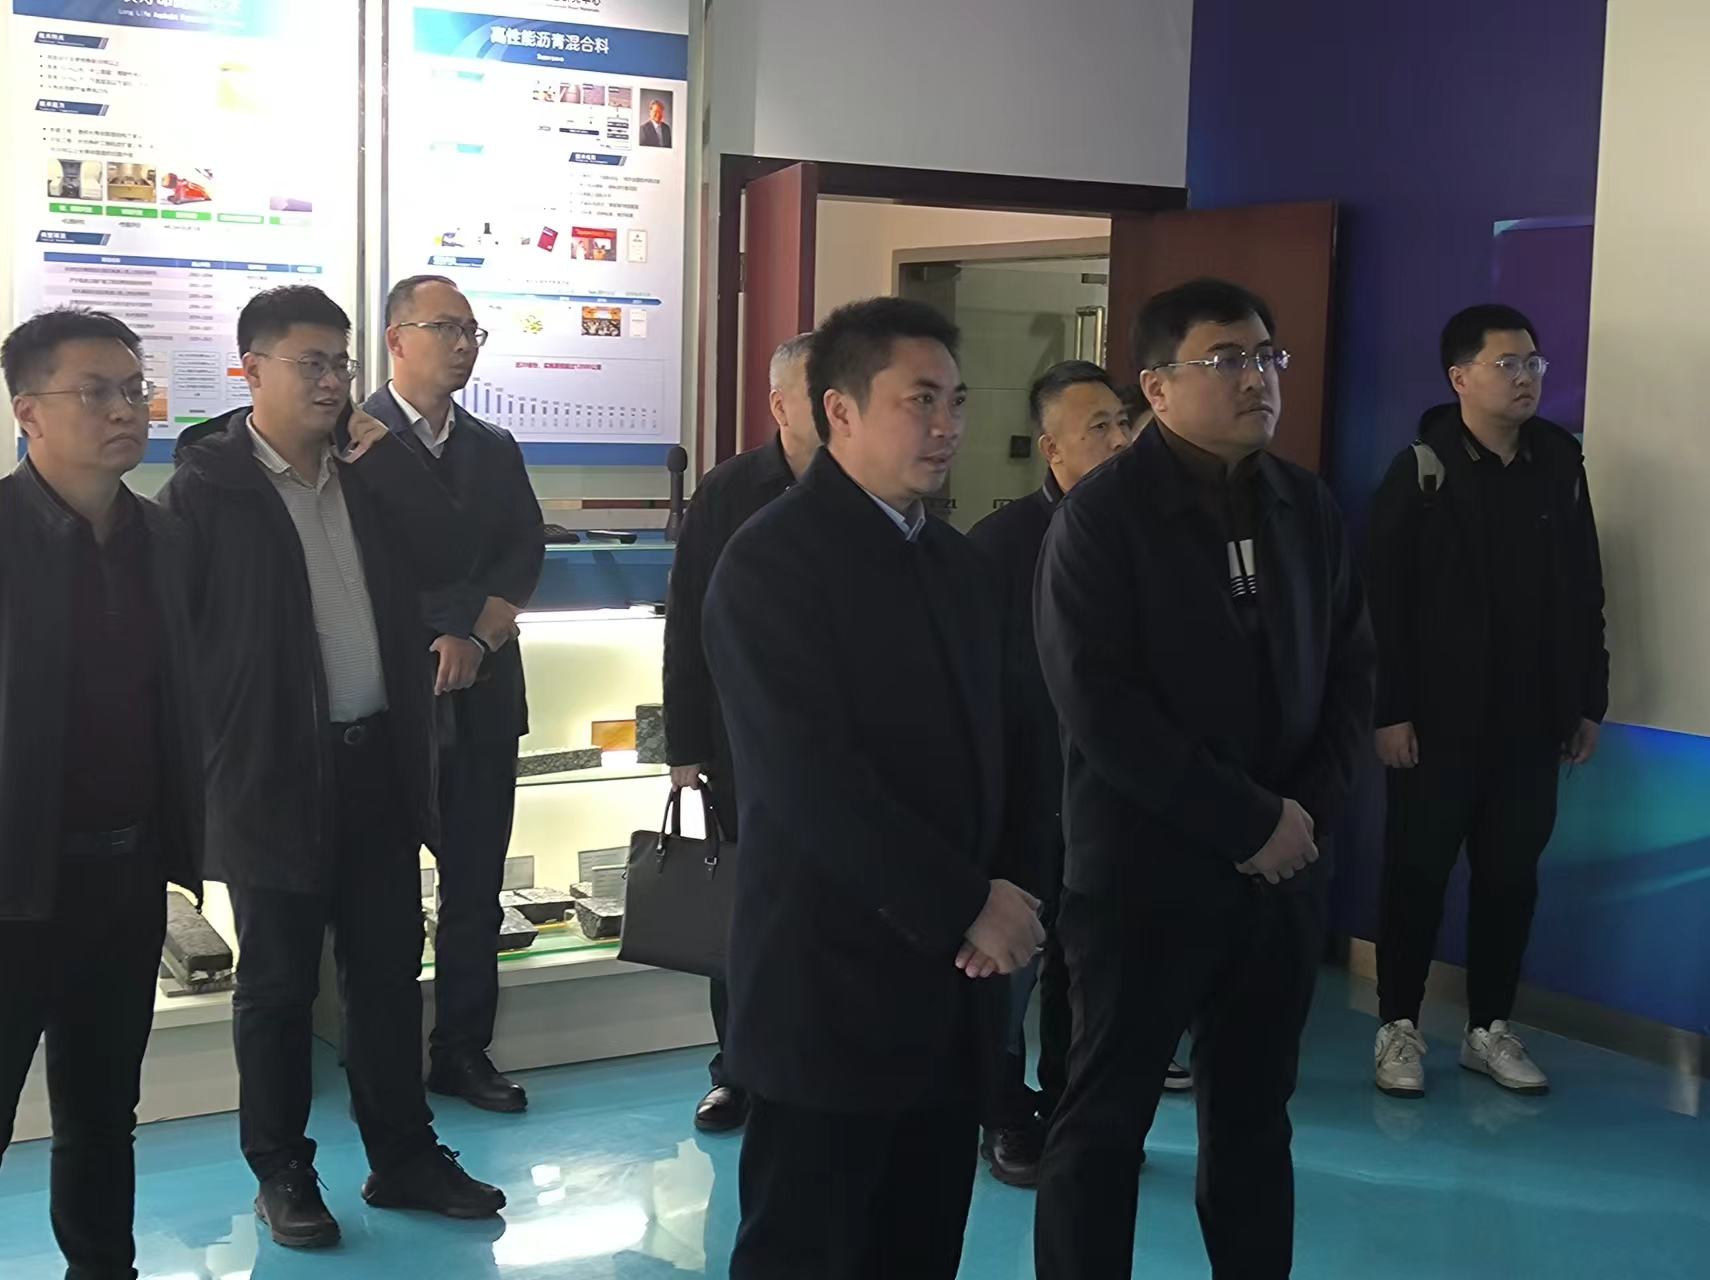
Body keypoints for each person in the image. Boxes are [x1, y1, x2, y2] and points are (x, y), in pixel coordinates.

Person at [1033, 279, 1374, 1279]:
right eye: (1227, 359)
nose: (1256, 379)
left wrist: (1303, 817)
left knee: (1256, 1120)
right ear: (1157, 386)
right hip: (1145, 876)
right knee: (1103, 1125)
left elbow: (1352, 671)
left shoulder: (1304, 504)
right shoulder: (1102, 519)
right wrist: (1246, 821)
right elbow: (1102, 707)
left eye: (1267, 357)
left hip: (1281, 878)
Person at [702, 297, 1045, 1280]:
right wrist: (966, 902)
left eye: (957, 401)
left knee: (920, 1243)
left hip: (955, 985)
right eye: (919, 400)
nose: (947, 425)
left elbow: (1020, 743)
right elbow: (809, 784)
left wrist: (1018, 887)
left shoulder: (958, 563)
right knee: (805, 1249)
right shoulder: (769, 564)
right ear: (841, 411)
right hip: (830, 983)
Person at [159, 285, 505, 1252]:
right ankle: (282, 1171)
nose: (331, 381)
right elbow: (174, 642)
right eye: (309, 363)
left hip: (380, 760)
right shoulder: (207, 489)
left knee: (388, 974)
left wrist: (388, 463)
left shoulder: (366, 470)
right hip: (272, 773)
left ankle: (404, 1156)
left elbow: (456, 553)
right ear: (250, 371)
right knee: (276, 988)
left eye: (340, 363)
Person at [0, 309, 203, 1280]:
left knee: (101, 1114)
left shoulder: (162, 537)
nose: (126, 410)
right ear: (27, 411)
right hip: (11, 885)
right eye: (96, 391)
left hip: (124, 877)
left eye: (134, 389)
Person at [1366, 304, 1607, 1099]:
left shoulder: (1559, 463)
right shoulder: (1422, 470)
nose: (1526, 377)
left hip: (1532, 720)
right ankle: (1398, 1025)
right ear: (1459, 377)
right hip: (1437, 723)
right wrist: (1389, 709)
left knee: (1511, 877)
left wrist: (1589, 699)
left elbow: (1585, 588)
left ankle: (1488, 1028)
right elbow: (1380, 600)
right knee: (1417, 874)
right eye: (1508, 364)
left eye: (1534, 363)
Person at [364, 275, 544, 1114]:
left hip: (483, 692)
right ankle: (382, 1059)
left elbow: (522, 550)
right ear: (397, 339)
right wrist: (443, 629)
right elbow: (363, 566)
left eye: (473, 330)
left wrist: (476, 636)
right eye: (446, 328)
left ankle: (464, 1052)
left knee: (474, 888)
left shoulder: (493, 446)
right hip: (388, 702)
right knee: (382, 898)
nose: (465, 344)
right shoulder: (353, 440)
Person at [968, 358, 1148, 1188]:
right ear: (1052, 449)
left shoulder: (1150, 533)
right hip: (1027, 794)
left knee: (1094, 973)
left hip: (1117, 797)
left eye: (1122, 423)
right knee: (1015, 969)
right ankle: (1003, 1113)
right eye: (1097, 429)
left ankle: (1078, 1111)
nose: (1118, 440)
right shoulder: (1001, 546)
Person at [662, 332, 819, 1134]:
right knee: (744, 908)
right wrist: (683, 746)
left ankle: (814, 1059)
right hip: (740, 742)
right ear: (780, 404)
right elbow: (688, 621)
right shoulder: (729, 493)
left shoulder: (869, 482)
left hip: (834, 744)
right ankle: (738, 1071)